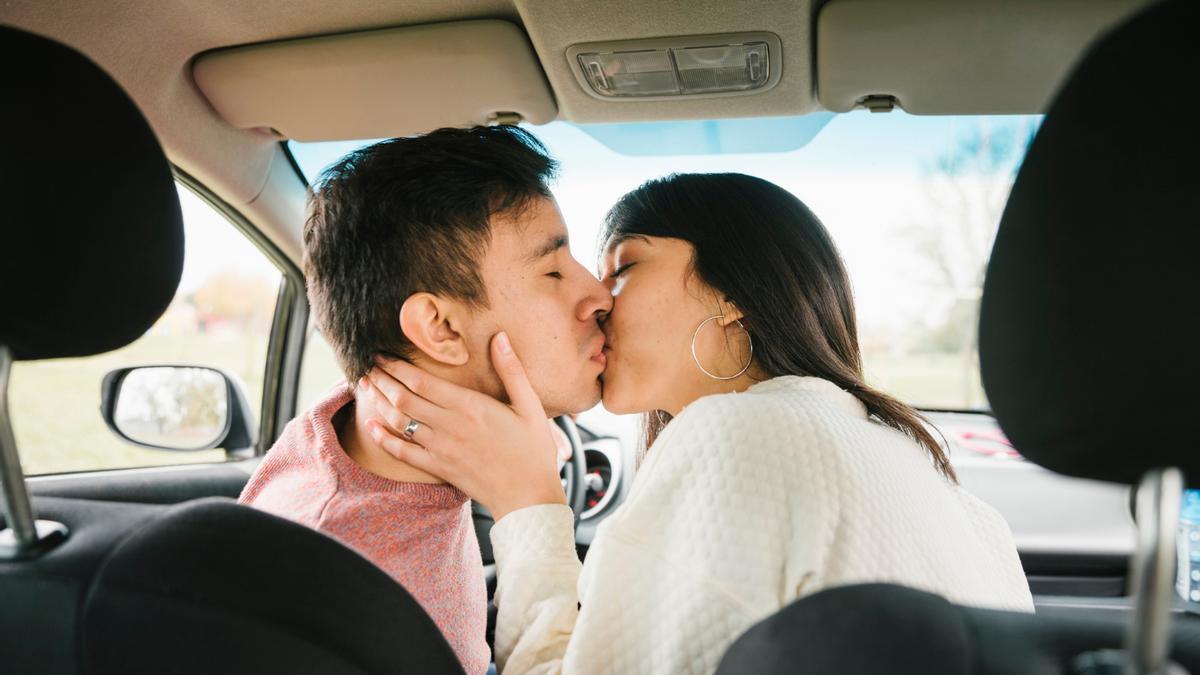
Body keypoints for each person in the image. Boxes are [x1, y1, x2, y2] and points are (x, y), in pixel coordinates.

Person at [359, 173, 1035, 674]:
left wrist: (526, 501)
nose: (596, 299)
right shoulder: (928, 475)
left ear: (732, 294)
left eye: (623, 266)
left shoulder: (740, 435)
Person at [238, 125, 611, 675]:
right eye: (553, 271)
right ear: (439, 328)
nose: (599, 295)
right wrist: (531, 498)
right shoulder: (350, 590)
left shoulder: (350, 425)